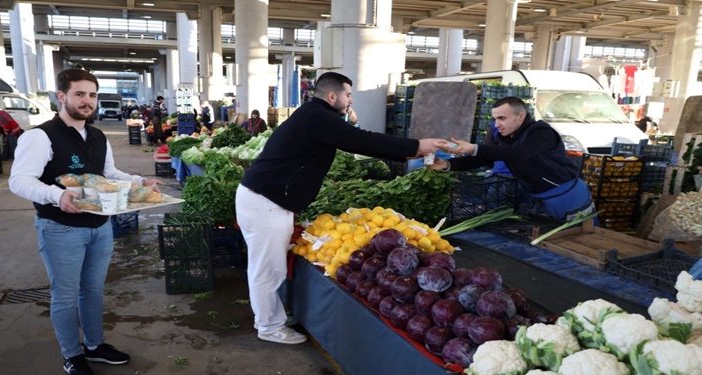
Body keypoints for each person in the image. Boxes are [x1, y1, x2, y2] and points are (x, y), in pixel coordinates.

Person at [236, 71, 451, 345]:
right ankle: (268, 326)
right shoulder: (317, 117)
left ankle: (271, 317)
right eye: (348, 95)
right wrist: (417, 146)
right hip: (265, 202)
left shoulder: (315, 116)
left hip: (266, 200)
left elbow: (354, 137)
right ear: (332, 95)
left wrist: (354, 124)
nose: (351, 100)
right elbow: (364, 141)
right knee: (267, 269)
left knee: (269, 267)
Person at [8, 68, 163, 375]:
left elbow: (107, 174)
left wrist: (139, 180)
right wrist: (56, 195)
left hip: (100, 226)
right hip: (61, 228)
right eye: (80, 94)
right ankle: (72, 355)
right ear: (61, 96)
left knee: (92, 291)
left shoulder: (97, 135)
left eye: (92, 95)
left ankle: (94, 345)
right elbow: (19, 181)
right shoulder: (39, 137)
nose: (87, 101)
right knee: (65, 294)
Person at [429, 97, 593, 222]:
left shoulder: (541, 132)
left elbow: (520, 153)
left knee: (583, 237)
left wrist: (473, 147)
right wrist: (447, 164)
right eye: (494, 119)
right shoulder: (504, 136)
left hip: (567, 193)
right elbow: (484, 159)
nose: (496, 124)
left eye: (502, 118)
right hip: (538, 195)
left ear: (520, 117)